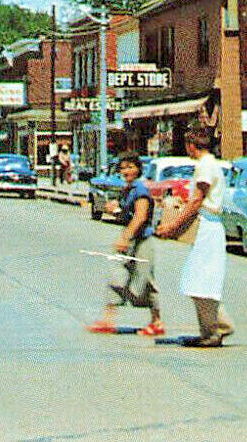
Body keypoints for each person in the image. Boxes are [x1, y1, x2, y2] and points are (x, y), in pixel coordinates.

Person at [157, 121, 233, 347]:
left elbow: (196, 200)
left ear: (191, 145)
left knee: (201, 281)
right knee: (198, 280)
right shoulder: (208, 164)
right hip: (207, 226)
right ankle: (215, 327)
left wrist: (173, 226)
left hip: (208, 227)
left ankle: (214, 330)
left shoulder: (206, 166)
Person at [86, 152, 163, 336]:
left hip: (142, 241)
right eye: (122, 168)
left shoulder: (140, 189)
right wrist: (114, 210)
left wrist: (124, 237)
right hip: (132, 240)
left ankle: (157, 322)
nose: (126, 171)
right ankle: (107, 319)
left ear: (138, 169)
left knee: (145, 281)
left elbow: (140, 216)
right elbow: (127, 215)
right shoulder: (128, 189)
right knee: (117, 276)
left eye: (130, 167)